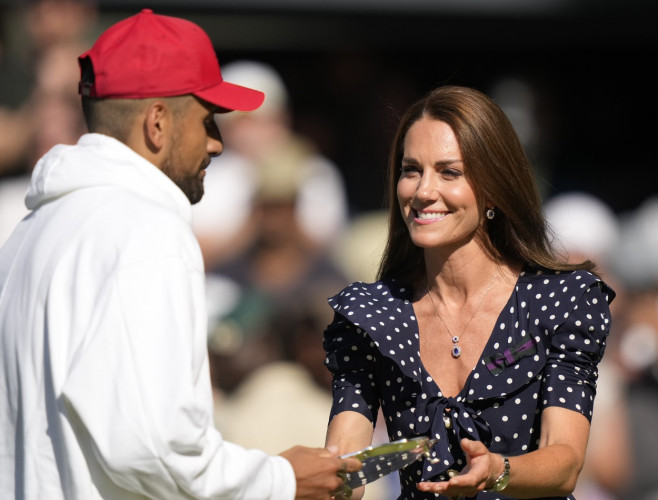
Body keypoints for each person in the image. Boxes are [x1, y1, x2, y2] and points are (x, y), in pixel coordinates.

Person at [0, 9, 360, 500]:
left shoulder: (30, 233)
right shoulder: (146, 230)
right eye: (209, 120)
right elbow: (150, 447)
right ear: (157, 123)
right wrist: (281, 479)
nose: (217, 142)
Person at [322, 85, 615, 500]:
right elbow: (345, 465)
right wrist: (324, 480)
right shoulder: (370, 314)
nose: (423, 191)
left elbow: (565, 460)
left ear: (494, 187)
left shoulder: (561, 301)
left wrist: (497, 469)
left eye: (449, 172)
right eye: (411, 170)